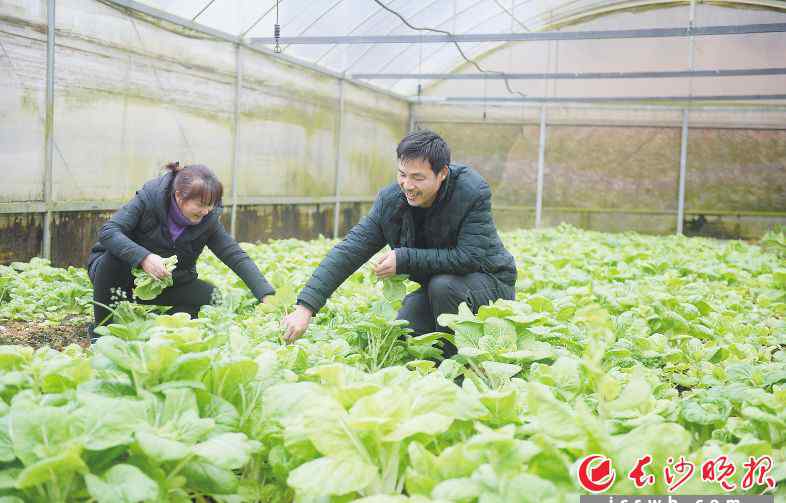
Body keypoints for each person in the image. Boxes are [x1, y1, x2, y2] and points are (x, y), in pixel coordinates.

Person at [282, 129, 516, 357]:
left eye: (418, 178)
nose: (407, 185)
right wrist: (306, 308)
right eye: (402, 174)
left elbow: (469, 257)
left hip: (490, 282)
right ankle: (436, 362)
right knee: (405, 330)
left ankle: (457, 367)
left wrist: (404, 259)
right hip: (439, 289)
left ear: (442, 173)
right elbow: (350, 250)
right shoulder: (392, 201)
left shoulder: (471, 192)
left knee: (443, 287)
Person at [86, 162, 275, 334]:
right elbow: (109, 231)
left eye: (210, 205)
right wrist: (144, 258)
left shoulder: (207, 220)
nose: (206, 211)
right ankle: (101, 330)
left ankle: (159, 331)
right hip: (117, 282)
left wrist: (266, 294)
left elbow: (234, 255)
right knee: (113, 257)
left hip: (163, 283)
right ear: (179, 196)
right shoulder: (149, 198)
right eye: (201, 205)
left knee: (212, 296)